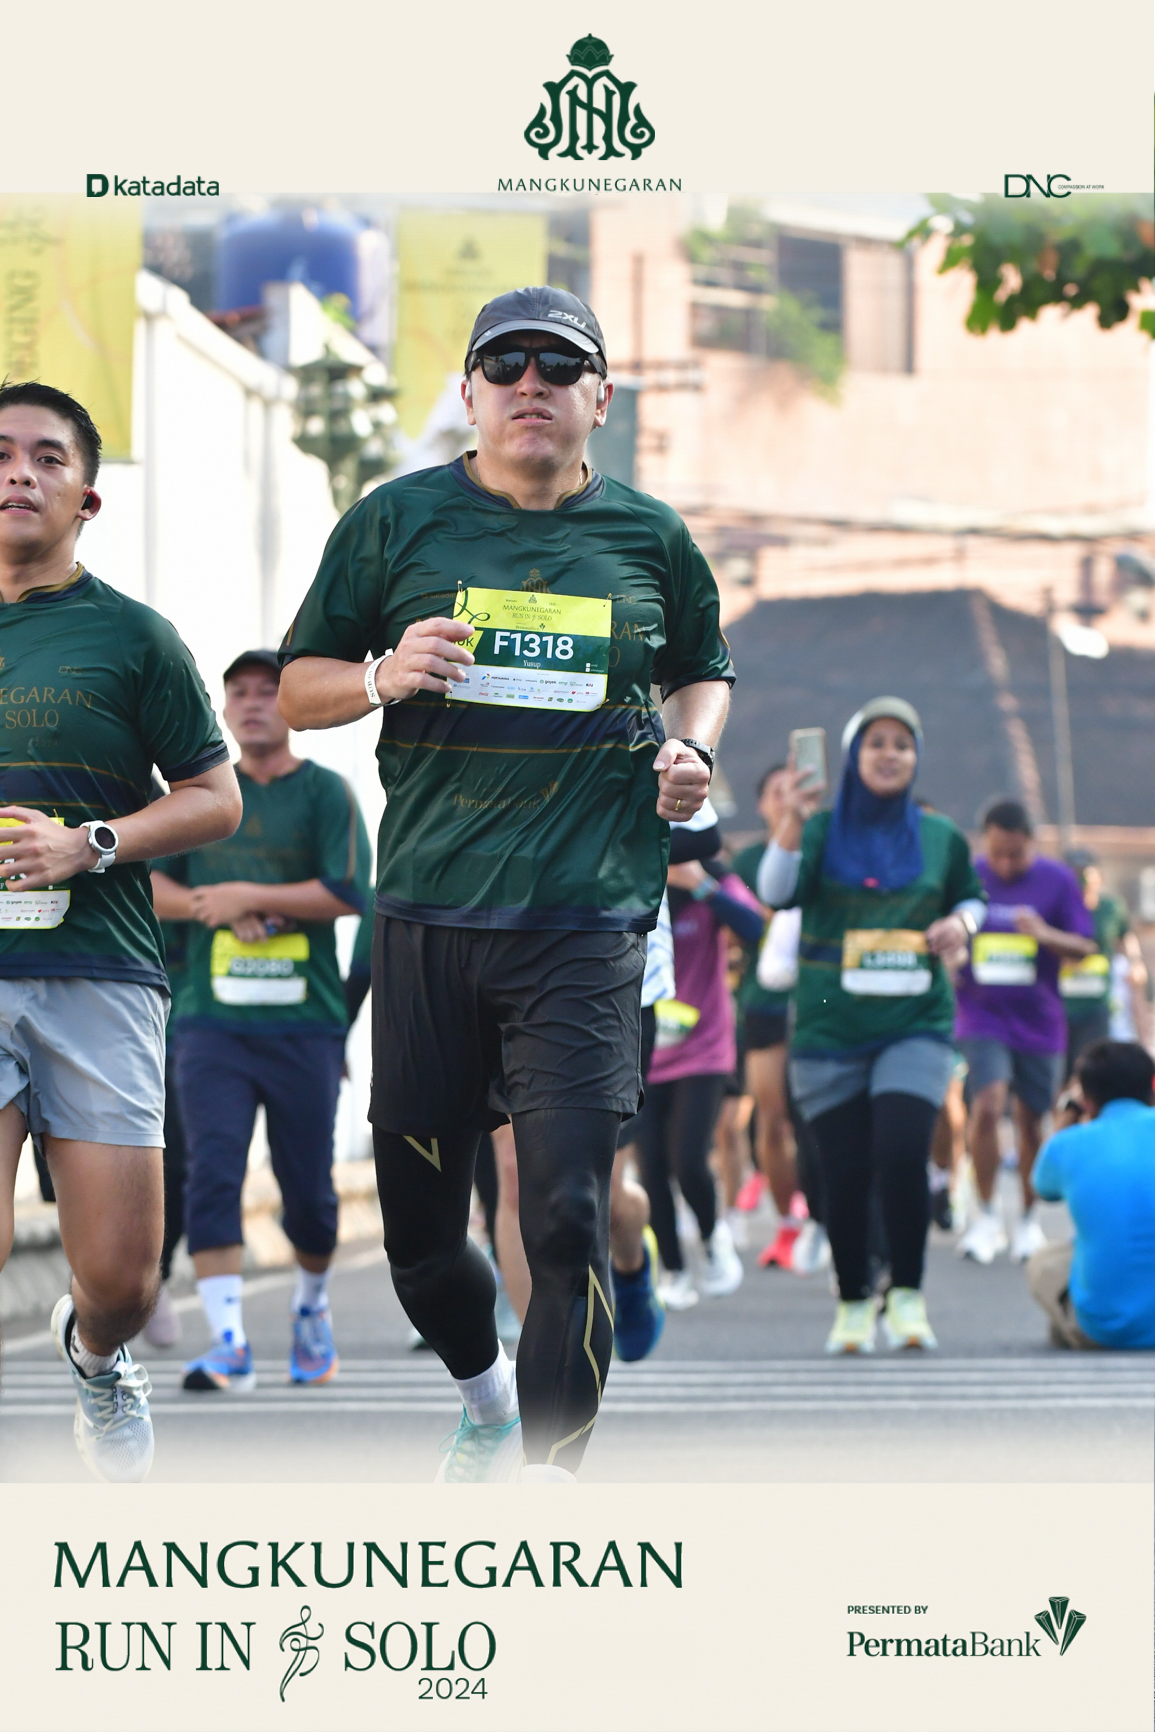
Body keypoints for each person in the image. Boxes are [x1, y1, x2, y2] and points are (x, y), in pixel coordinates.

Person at [278, 285, 733, 1481]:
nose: (533, 382)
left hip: (587, 922)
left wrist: (691, 751)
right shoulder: (395, 522)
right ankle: (485, 1402)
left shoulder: (652, 537)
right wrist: (379, 675)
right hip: (429, 917)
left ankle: (549, 1493)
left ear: (601, 397)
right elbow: (296, 687)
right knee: (425, 1247)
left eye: (560, 365)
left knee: (567, 1215)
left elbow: (702, 669)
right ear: (471, 393)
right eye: (507, 364)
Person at [0, 381, 241, 1480]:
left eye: (47, 457)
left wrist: (90, 843)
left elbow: (215, 801)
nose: (19, 472)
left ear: (86, 499)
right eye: (2, 453)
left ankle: (97, 1360)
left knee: (123, 1280)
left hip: (98, 973)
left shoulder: (135, 638)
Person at [152, 650, 371, 1390]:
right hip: (209, 1023)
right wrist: (210, 905)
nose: (251, 704)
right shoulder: (203, 797)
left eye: (267, 691)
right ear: (223, 710)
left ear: (290, 706)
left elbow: (348, 891)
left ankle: (311, 1306)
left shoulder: (325, 792)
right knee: (211, 1173)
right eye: (238, 693)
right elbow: (151, 885)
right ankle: (229, 1344)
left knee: (307, 1191)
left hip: (305, 1024)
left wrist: (250, 893)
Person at [758, 697, 985, 1354]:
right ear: (853, 755)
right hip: (829, 1030)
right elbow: (775, 891)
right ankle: (853, 1298)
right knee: (842, 1171)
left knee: (901, 1150)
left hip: (915, 1023)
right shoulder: (820, 829)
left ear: (916, 759)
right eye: (876, 743)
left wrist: (961, 923)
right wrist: (792, 819)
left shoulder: (941, 837)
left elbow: (971, 898)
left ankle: (907, 1295)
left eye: (902, 745)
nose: (890, 754)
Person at [953, 800, 1094, 1265]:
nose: (1005, 865)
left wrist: (1045, 934)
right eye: (996, 854)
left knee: (1032, 1118)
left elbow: (1085, 946)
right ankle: (986, 1215)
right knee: (988, 1104)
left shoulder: (1057, 880)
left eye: (1015, 854)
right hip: (981, 1015)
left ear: (1031, 843)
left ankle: (1028, 1221)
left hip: (1039, 1019)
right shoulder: (969, 876)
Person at [636, 806, 763, 1307]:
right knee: (651, 1169)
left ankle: (712, 1239)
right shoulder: (634, 876)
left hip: (704, 1048)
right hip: (646, 1046)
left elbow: (754, 926)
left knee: (688, 1158)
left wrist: (701, 884)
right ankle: (673, 1269)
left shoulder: (712, 876)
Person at [1028, 1040, 1155, 1350]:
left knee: (1045, 1260)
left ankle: (1071, 1325)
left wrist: (1068, 1116)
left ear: (1086, 1099)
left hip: (1104, 1330)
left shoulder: (1068, 1144)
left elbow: (1042, 1186)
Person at [732, 763, 807, 1267]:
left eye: (792, 790)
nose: (785, 799)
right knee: (772, 1118)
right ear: (761, 805)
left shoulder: (821, 847)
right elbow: (735, 925)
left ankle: (824, 1216)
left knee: (817, 1119)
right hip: (763, 1002)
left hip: (819, 1002)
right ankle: (787, 1225)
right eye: (776, 792)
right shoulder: (748, 861)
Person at [1062, 849, 1149, 1075]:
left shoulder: (1111, 908)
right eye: (1075, 875)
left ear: (1099, 878)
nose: (1081, 882)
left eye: (1085, 875)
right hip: (1061, 1002)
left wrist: (1136, 962)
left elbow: (1125, 935)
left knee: (1089, 1066)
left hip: (1097, 1000)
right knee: (1061, 1069)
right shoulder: (1057, 906)